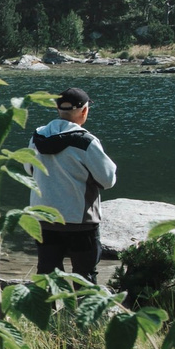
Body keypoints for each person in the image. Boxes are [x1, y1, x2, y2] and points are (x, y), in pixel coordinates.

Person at [28, 86, 118, 278]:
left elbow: (28, 169)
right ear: (84, 111)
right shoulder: (86, 141)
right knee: (84, 276)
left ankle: (45, 309)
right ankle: (81, 309)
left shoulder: (37, 137)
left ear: (57, 109)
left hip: (44, 219)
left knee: (47, 275)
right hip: (80, 221)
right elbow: (108, 179)